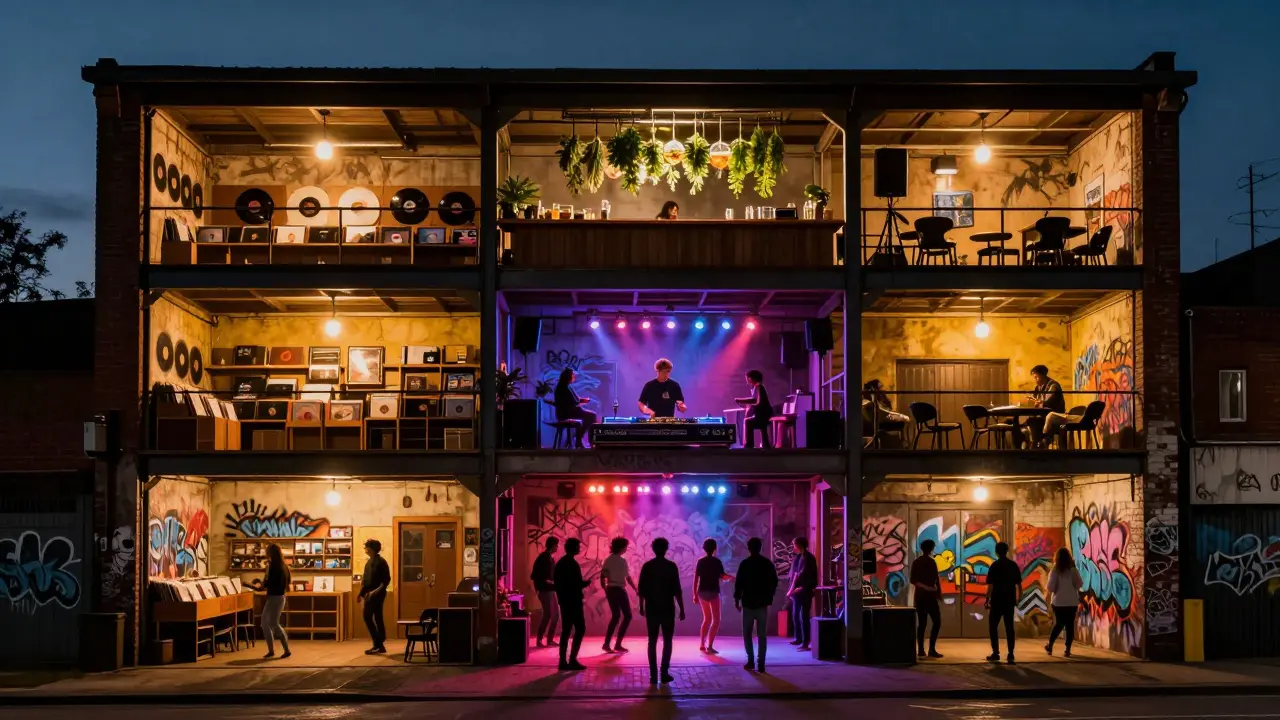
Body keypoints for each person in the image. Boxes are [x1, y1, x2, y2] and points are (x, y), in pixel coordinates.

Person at [638, 537, 685, 685]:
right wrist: (682, 608)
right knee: (667, 641)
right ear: (666, 549)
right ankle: (664, 672)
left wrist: (641, 606)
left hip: (652, 607)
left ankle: (653, 675)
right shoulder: (671, 566)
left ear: (653, 549)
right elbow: (677, 590)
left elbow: (642, 589)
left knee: (652, 641)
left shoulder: (647, 566)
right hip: (667, 608)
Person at [734, 537, 779, 672]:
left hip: (747, 603)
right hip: (762, 604)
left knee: (747, 634)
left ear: (748, 548)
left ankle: (751, 661)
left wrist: (737, 600)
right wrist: (769, 596)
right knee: (761, 635)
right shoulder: (767, 564)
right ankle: (761, 663)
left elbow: (738, 584)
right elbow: (774, 582)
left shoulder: (744, 564)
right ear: (761, 548)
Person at [554, 538, 592, 671]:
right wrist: (587, 583)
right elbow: (577, 583)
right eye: (578, 546)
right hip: (574, 601)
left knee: (566, 630)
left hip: (564, 601)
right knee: (580, 628)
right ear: (574, 548)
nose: (579, 548)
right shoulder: (572, 564)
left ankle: (563, 661)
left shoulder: (561, 563)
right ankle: (572, 659)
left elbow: (559, 583)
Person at [984, 542, 1023, 664]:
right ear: (1007, 551)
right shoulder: (1013, 565)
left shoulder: (994, 566)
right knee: (1009, 627)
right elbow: (1019, 585)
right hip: (1009, 601)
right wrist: (1018, 599)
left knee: (993, 627)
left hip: (996, 601)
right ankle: (1011, 654)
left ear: (996, 552)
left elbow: (990, 586)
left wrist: (986, 600)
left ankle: (996, 652)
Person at [693, 538, 733, 654]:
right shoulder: (717, 562)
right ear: (715, 548)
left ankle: (702, 644)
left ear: (704, 549)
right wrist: (730, 578)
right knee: (716, 620)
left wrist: (694, 594)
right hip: (714, 593)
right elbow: (722, 575)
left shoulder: (700, 562)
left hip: (702, 592)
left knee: (706, 619)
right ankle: (710, 646)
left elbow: (696, 579)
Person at [1045, 547, 1084, 657]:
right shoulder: (1073, 570)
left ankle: (1050, 646)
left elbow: (1051, 588)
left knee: (1059, 624)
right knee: (1070, 625)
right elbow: (1079, 584)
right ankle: (1067, 649)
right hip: (1072, 602)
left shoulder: (1055, 570)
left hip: (1058, 602)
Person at [601, 537, 637, 653]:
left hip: (611, 589)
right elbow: (628, 577)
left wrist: (606, 590)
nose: (626, 549)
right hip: (618, 589)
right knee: (626, 616)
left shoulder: (609, 560)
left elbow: (603, 577)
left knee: (616, 616)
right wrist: (635, 589)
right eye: (625, 547)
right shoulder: (621, 561)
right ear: (621, 547)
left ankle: (608, 644)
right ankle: (615, 644)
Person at [356, 538, 391, 655]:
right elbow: (366, 581)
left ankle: (378, 642)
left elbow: (386, 581)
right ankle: (379, 644)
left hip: (378, 594)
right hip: (369, 593)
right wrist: (360, 594)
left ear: (371, 549)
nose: (365, 549)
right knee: (375, 617)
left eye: (366, 547)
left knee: (370, 617)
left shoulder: (381, 562)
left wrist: (375, 592)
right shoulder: (369, 562)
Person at [258, 542, 292, 659]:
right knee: (272, 622)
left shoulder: (270, 566)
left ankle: (275, 650)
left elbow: (266, 583)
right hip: (281, 596)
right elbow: (288, 582)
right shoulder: (284, 566)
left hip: (273, 596)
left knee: (267, 623)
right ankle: (283, 649)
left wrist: (261, 585)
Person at [911, 538, 944, 658]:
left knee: (922, 623)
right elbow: (936, 580)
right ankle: (932, 649)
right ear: (931, 549)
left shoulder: (916, 562)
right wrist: (936, 592)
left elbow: (913, 580)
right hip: (929, 597)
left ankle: (920, 650)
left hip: (920, 597)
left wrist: (924, 587)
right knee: (937, 621)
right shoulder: (931, 562)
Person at [786, 537, 818, 651]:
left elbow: (809, 576)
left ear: (799, 545)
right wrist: (791, 589)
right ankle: (799, 638)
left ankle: (805, 642)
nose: (793, 547)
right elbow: (794, 576)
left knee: (803, 616)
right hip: (797, 592)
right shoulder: (799, 557)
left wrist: (802, 587)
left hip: (804, 591)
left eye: (794, 545)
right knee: (796, 615)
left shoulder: (809, 558)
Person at [1026, 364, 1067, 448]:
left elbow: (1049, 403)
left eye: (1036, 377)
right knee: (1030, 420)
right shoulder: (1038, 388)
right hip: (1043, 415)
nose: (1035, 380)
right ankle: (1037, 443)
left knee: (1034, 422)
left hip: (1055, 414)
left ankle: (1039, 444)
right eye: (1034, 378)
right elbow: (1037, 401)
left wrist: (1040, 403)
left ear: (1043, 375)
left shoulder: (1053, 386)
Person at [554, 368, 596, 448]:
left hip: (569, 412)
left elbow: (575, 399)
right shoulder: (564, 388)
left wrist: (584, 400)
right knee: (592, 416)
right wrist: (584, 401)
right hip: (566, 414)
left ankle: (578, 438)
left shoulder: (565, 386)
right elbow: (574, 401)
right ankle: (578, 439)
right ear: (568, 376)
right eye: (573, 375)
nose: (574, 376)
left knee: (590, 415)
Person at [531, 536, 560, 648]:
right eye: (556, 545)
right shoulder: (544, 558)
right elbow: (539, 577)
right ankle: (540, 639)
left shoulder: (549, 558)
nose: (557, 547)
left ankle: (550, 639)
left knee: (555, 615)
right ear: (553, 546)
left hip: (550, 590)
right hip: (545, 590)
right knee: (548, 614)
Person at [735, 370, 774, 448]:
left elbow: (755, 400)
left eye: (747, 378)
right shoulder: (758, 387)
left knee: (748, 422)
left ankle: (749, 445)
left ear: (752, 378)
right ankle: (766, 445)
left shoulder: (759, 387)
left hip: (764, 415)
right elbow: (755, 400)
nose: (747, 380)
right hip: (763, 414)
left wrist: (740, 400)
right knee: (761, 429)